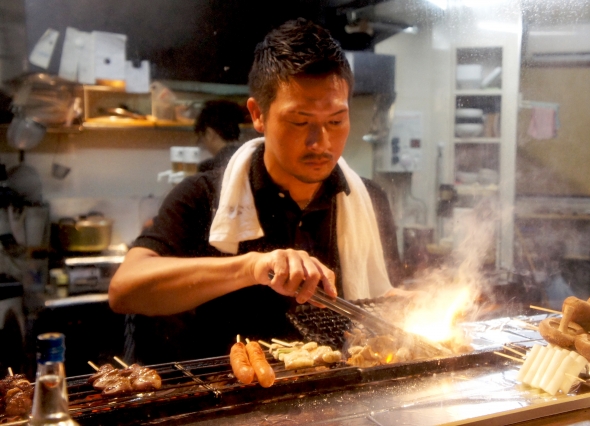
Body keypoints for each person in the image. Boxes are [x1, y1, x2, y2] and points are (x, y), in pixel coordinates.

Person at [109, 18, 403, 363]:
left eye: (336, 121)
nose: (321, 143)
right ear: (257, 115)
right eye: (299, 121)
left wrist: (408, 307)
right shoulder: (204, 197)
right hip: (233, 408)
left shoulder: (367, 200)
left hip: (341, 406)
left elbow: (384, 297)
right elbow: (125, 291)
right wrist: (251, 267)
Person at [195, 100, 247, 173]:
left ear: (209, 133)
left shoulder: (208, 168)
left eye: (201, 138)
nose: (204, 143)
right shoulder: (250, 157)